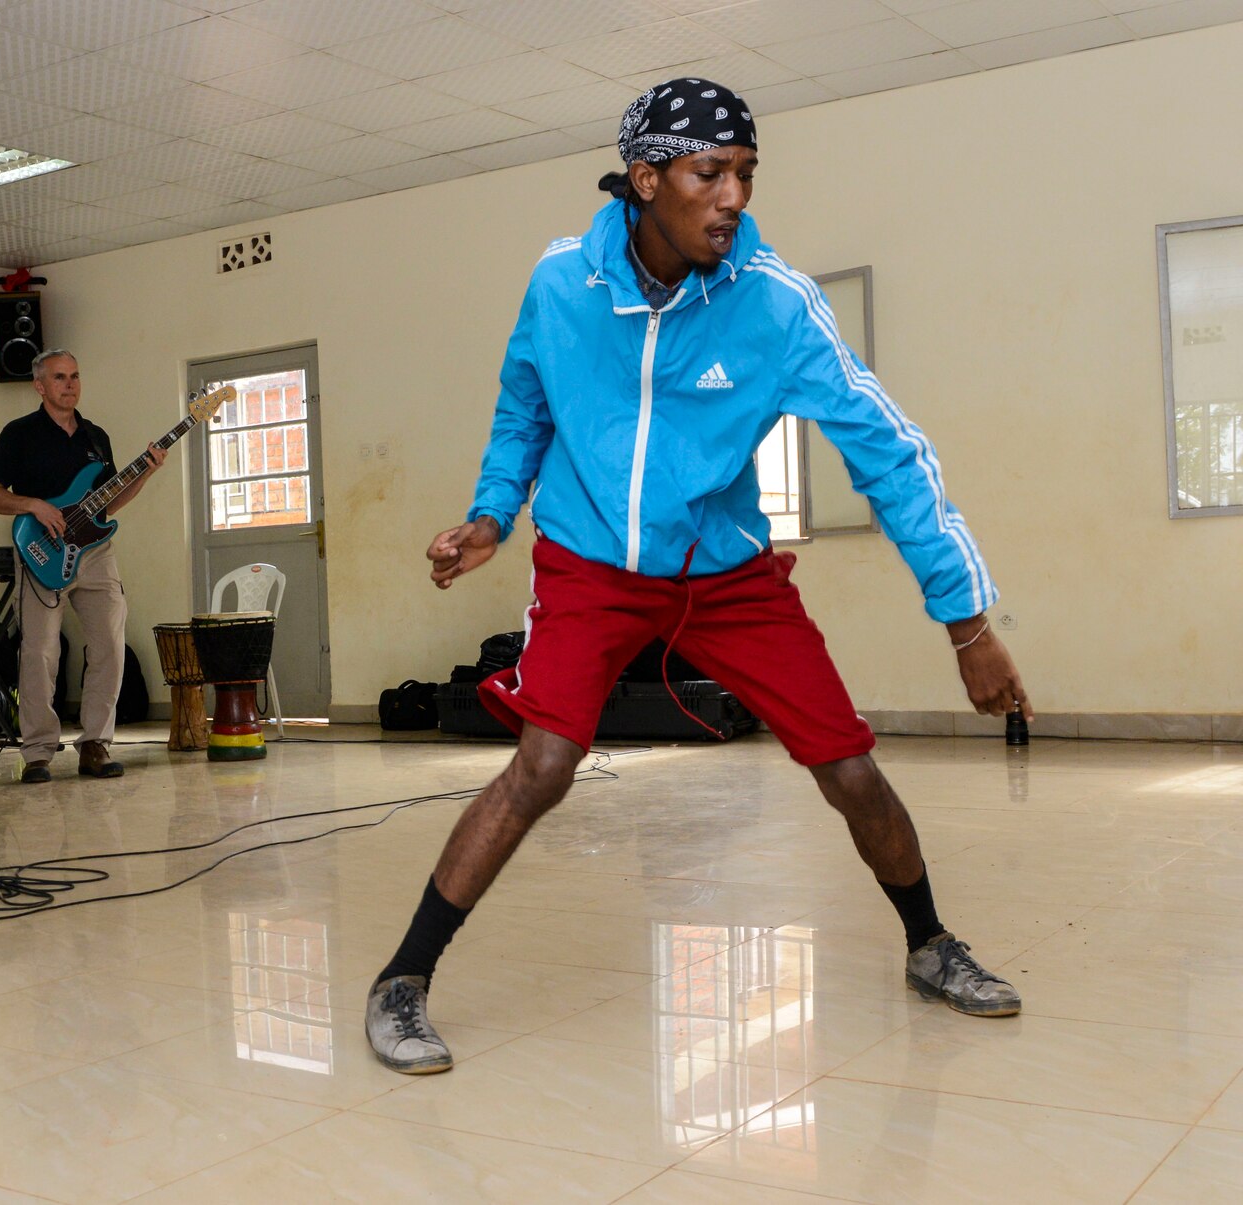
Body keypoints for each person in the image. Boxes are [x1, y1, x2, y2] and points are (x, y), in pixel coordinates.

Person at [366, 79, 1032, 1075]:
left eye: (744, 175)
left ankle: (929, 943)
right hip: (589, 562)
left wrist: (966, 625)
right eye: (708, 173)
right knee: (541, 764)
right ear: (645, 180)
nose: (732, 196)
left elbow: (891, 458)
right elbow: (523, 407)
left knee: (845, 763)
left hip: (725, 574)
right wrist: (490, 515)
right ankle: (402, 978)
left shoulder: (773, 303)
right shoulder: (560, 284)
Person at [0, 349, 168, 783]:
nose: (70, 384)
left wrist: (145, 473)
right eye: (60, 377)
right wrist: (33, 504)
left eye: (76, 376)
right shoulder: (19, 434)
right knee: (40, 652)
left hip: (96, 554)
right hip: (40, 551)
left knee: (109, 645)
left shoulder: (95, 437)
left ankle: (96, 746)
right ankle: (38, 753)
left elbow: (109, 501)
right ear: (40, 386)